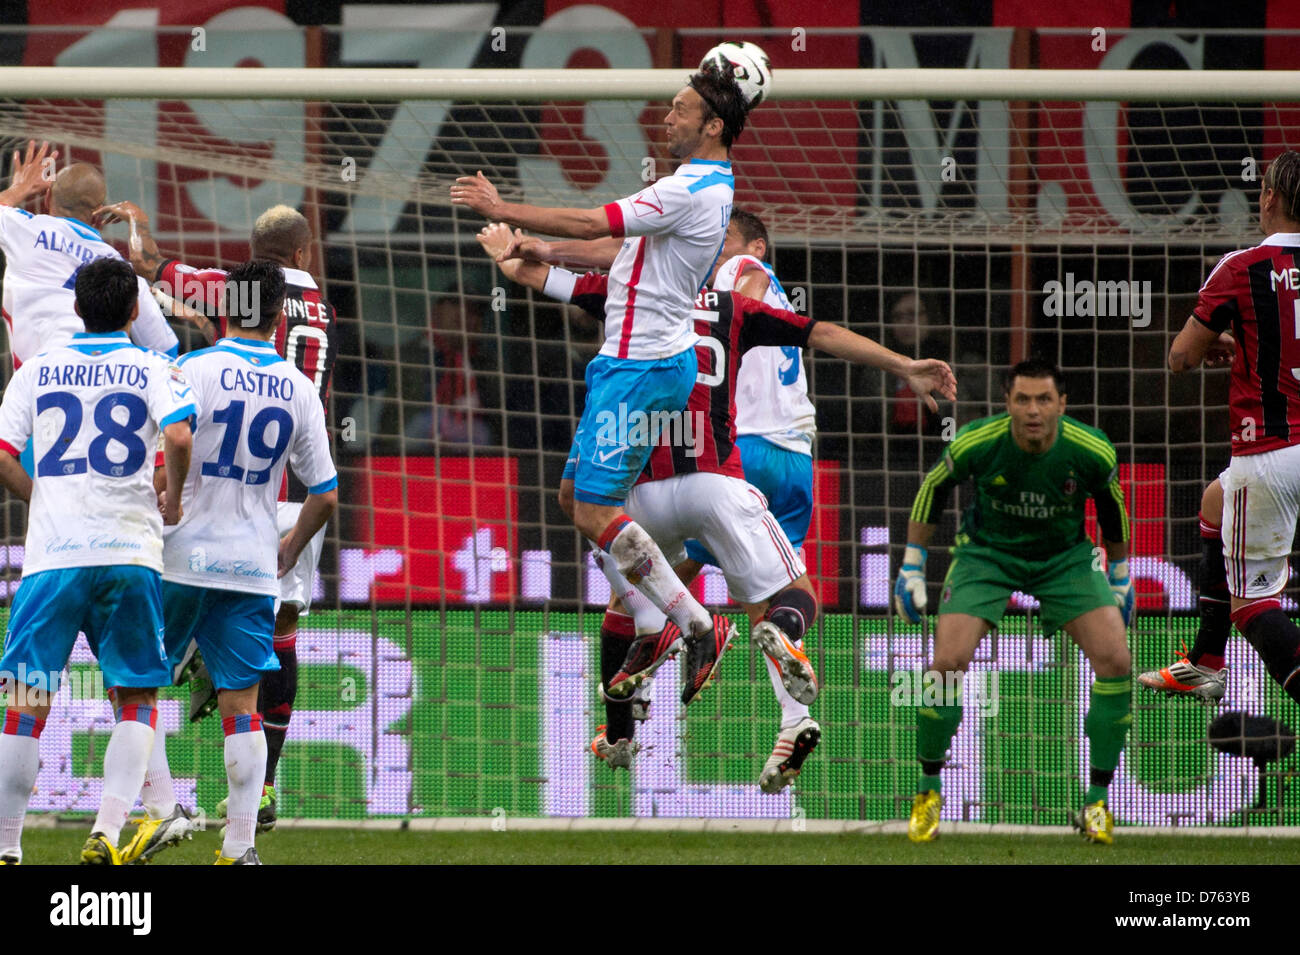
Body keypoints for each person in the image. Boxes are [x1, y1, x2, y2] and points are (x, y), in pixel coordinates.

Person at [479, 222, 955, 791]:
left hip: (697, 469)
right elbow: (822, 332)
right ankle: (793, 715)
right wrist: (904, 365)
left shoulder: (663, 289)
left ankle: (636, 705)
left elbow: (560, 269)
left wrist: (513, 251)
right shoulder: (736, 303)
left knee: (638, 580)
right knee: (780, 598)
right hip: (782, 458)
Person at [452, 62, 751, 697]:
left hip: (639, 370)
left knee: (592, 508)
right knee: (572, 499)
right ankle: (671, 616)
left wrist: (501, 205)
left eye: (679, 109)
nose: (667, 118)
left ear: (714, 124)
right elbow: (617, 251)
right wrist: (539, 248)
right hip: (641, 365)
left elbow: (594, 224)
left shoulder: (690, 188)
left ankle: (692, 622)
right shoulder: (704, 185)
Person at [98, 200, 337, 831]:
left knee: (134, 676)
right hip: (287, 495)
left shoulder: (221, 301)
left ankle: (142, 810)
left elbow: (150, 267)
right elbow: (329, 490)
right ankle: (259, 799)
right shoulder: (321, 310)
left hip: (206, 501)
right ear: (305, 255)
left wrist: (137, 234)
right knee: (277, 642)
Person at [0, 257, 195, 864]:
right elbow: (181, 437)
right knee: (136, 699)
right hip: (128, 553)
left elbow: (3, 453)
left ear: (77, 308)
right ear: (135, 310)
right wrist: (174, 496)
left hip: (51, 562)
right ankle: (107, 832)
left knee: (24, 702)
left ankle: (7, 848)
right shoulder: (153, 365)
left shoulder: (36, 369)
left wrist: (42, 496)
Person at [895, 359, 1133, 845]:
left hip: (1065, 559)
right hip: (987, 556)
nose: (1032, 410)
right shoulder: (977, 441)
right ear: (1007, 404)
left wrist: (1121, 573)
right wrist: (912, 563)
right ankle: (927, 793)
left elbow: (1112, 504)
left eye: (1043, 400)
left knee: (1116, 660)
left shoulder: (1090, 449)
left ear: (1061, 405)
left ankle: (1097, 806)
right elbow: (932, 488)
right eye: (1022, 400)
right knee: (945, 664)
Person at [1157, 149, 1300, 710]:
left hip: (1270, 453)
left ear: (1267, 198)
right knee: (1215, 503)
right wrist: (1247, 344)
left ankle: (1210, 664)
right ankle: (1205, 662)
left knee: (1254, 607)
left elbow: (1180, 360)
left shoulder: (1241, 267)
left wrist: (1222, 341)